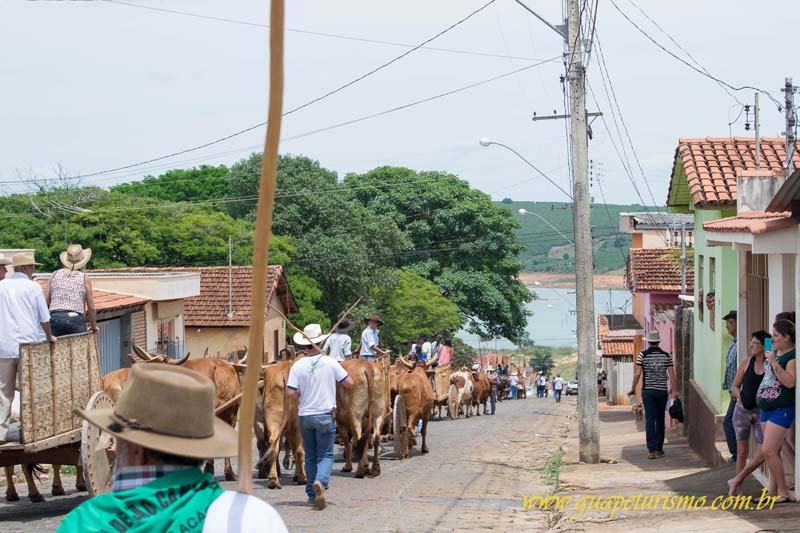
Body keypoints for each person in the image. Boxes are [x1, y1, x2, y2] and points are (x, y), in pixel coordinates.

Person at [58, 364, 288, 532]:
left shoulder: (81, 524)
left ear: (138, 450)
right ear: (203, 447)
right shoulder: (249, 518)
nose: (114, 448)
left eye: (118, 437)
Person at [287, 323, 354, 509]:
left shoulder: (298, 365)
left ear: (304, 345)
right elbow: (349, 383)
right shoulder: (330, 362)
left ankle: (311, 495)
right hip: (324, 415)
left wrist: (303, 394)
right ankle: (320, 482)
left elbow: (290, 392)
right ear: (320, 341)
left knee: (310, 456)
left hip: (305, 416)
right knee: (325, 455)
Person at [0, 252, 56, 443]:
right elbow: (45, 318)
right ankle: (29, 430)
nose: (34, 270)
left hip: (4, 347)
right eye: (32, 267)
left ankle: (0, 433)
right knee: (29, 389)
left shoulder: (1, 287)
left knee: (4, 392)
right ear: (24, 268)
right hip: (28, 347)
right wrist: (49, 337)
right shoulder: (33, 288)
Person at [755, 319, 795, 502]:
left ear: (787, 337)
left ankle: (783, 493)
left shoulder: (791, 357)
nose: (774, 339)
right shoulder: (775, 353)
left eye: (777, 335)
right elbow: (767, 348)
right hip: (766, 408)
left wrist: (774, 362)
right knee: (773, 452)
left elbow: (790, 382)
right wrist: (770, 357)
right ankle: (772, 491)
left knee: (769, 450)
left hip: (781, 409)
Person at [725, 331, 769, 496]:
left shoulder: (770, 365)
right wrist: (740, 397)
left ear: (764, 346)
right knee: (742, 452)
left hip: (761, 413)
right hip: (742, 411)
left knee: (764, 452)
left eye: (755, 343)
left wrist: (770, 353)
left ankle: (737, 479)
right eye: (751, 342)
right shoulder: (746, 362)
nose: (751, 345)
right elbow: (735, 386)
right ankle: (739, 490)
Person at [627, 330, 678, 459]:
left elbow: (637, 374)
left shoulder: (642, 355)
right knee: (660, 419)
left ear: (649, 342)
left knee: (650, 419)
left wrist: (632, 388)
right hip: (662, 392)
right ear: (658, 341)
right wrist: (675, 390)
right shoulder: (666, 356)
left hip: (648, 392)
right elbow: (672, 374)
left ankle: (651, 450)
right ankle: (659, 448)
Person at [46, 244, 99, 336]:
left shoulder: (54, 274)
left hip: (55, 318)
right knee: (79, 348)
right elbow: (91, 307)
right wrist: (94, 326)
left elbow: (46, 301)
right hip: (75, 319)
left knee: (56, 349)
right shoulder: (84, 278)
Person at [721, 310, 738, 462]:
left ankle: (737, 454)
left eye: (731, 323)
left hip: (739, 392)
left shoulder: (740, 345)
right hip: (733, 391)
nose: (727, 326)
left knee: (729, 421)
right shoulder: (734, 344)